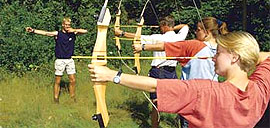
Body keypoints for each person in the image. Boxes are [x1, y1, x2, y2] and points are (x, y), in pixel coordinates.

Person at [89, 31, 270, 128]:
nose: (213, 58)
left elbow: (154, 84)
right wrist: (252, 56)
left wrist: (111, 75)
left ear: (234, 57)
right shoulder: (260, 88)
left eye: (218, 53)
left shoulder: (206, 91)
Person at [133, 16, 229, 127]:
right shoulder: (221, 48)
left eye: (198, 30)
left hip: (192, 97)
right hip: (213, 96)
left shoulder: (195, 45)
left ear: (207, 32)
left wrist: (142, 47)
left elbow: (166, 46)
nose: (195, 32)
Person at [115, 16, 189, 128]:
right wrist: (172, 28)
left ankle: (155, 126)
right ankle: (183, 124)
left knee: (156, 103)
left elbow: (138, 37)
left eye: (161, 26)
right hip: (171, 71)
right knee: (179, 99)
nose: (160, 29)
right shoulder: (180, 37)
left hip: (158, 71)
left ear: (164, 26)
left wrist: (121, 33)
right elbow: (185, 26)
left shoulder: (157, 37)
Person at [26, 17, 87, 103]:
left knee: (73, 80)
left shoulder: (73, 33)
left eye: (69, 25)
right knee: (58, 80)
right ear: (63, 25)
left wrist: (73, 30)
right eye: (66, 25)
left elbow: (85, 31)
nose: (67, 26)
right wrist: (33, 30)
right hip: (60, 60)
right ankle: (56, 99)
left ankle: (72, 98)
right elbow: (46, 33)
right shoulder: (58, 34)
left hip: (69, 60)